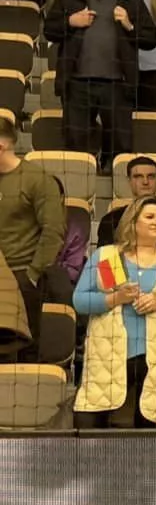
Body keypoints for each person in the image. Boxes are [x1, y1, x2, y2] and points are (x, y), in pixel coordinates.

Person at [73, 198, 156, 430]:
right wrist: (116, 298)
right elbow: (80, 300)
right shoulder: (108, 257)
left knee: (152, 430)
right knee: (89, 425)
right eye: (150, 217)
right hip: (108, 355)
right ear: (132, 222)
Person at [44, 0, 156, 165]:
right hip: (77, 84)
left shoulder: (131, 1)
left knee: (120, 149)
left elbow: (151, 39)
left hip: (118, 86)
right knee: (75, 149)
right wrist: (71, 21)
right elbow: (49, 30)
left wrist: (129, 25)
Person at [0, 118, 63, 357]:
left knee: (25, 351)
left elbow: (53, 231)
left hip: (21, 275)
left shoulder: (37, 180)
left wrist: (33, 275)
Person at [99, 157, 156, 252]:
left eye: (151, 176)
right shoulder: (110, 220)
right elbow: (104, 256)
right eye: (138, 176)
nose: (145, 182)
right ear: (129, 180)